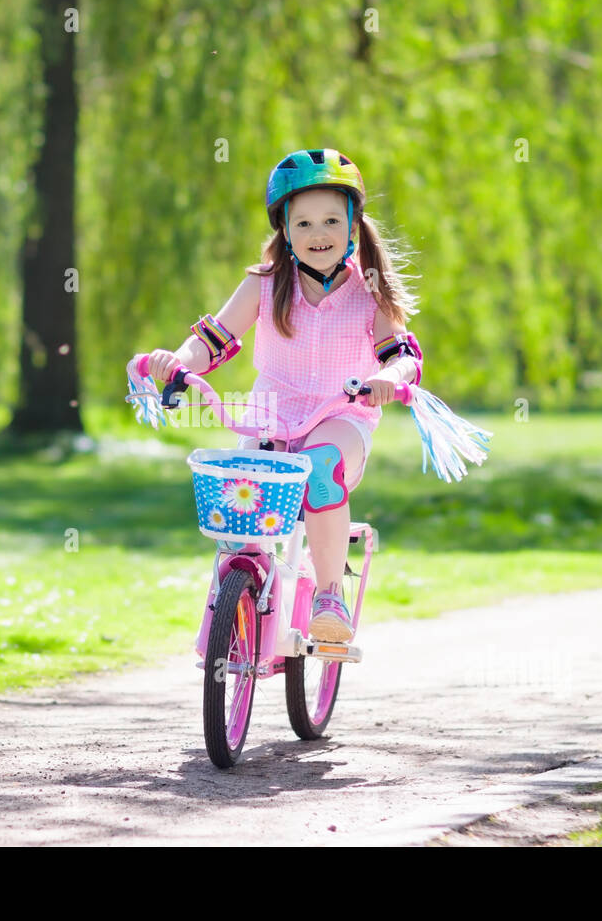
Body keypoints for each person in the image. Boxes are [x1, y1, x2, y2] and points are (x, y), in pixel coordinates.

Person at [144, 148, 424, 644]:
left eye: (332, 220)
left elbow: (401, 351)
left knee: (320, 465)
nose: (319, 234)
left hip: (342, 414)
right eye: (305, 223)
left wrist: (392, 377)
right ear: (286, 231)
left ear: (354, 225)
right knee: (236, 485)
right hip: (270, 416)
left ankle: (329, 596)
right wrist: (179, 361)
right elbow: (213, 338)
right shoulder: (266, 283)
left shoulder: (371, 289)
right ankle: (235, 590)